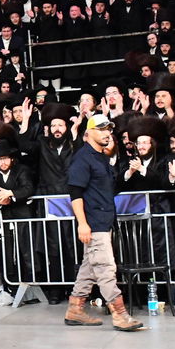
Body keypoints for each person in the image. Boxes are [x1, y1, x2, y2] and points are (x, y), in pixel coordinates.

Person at [63, 113, 143, 332]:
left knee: (89, 268)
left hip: (103, 221)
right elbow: (75, 192)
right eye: (102, 129)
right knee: (106, 269)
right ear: (88, 133)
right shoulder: (83, 158)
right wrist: (82, 224)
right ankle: (120, 314)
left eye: (109, 128)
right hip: (94, 223)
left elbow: (108, 188)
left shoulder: (101, 157)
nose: (107, 132)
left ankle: (75, 309)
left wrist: (128, 173)